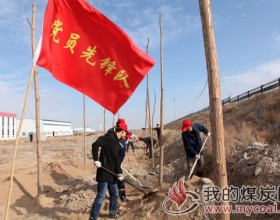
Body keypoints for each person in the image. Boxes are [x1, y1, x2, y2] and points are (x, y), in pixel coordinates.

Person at [89, 121, 128, 220]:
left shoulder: (117, 142)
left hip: (113, 174)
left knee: (114, 194)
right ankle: (93, 217)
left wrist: (119, 173)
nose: (126, 135)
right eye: (125, 133)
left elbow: (117, 160)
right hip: (103, 172)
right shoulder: (108, 138)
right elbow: (95, 145)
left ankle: (112, 213)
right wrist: (96, 159)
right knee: (101, 196)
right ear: (122, 131)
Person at [108, 118, 130, 203]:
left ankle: (122, 196)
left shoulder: (122, 135)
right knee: (115, 179)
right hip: (112, 161)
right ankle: (118, 196)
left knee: (119, 179)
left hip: (118, 160)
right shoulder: (111, 132)